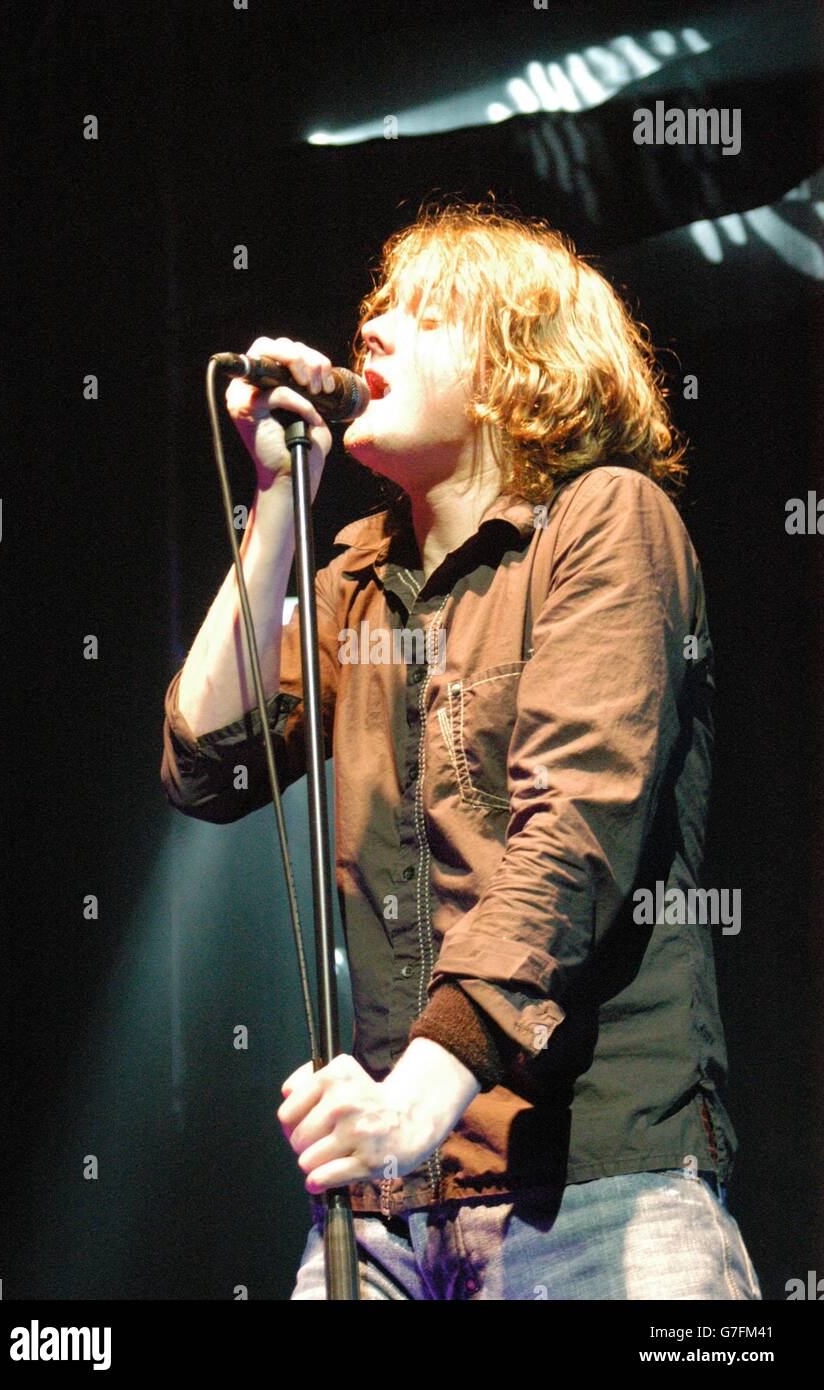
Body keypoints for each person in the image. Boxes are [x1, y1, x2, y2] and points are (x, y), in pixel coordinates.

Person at [160, 202, 762, 1300]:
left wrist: (410, 1100)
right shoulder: (354, 583)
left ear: (513, 372)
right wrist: (279, 498)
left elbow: (573, 835)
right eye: (374, 312)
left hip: (601, 1191)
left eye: (423, 316)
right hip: (391, 1206)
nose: (373, 333)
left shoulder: (607, 521)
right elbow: (206, 759)